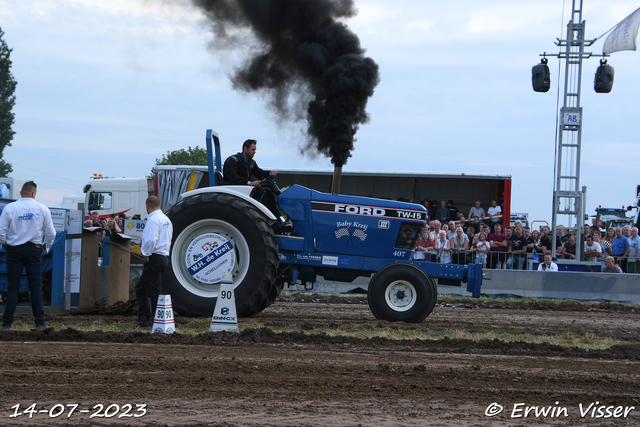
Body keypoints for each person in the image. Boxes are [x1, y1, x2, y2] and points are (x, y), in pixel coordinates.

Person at [0, 181, 56, 330]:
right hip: (34, 250)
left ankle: (6, 324)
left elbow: (1, 232)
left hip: (14, 250)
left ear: (21, 193)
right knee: (36, 287)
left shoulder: (9, 208)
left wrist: (5, 246)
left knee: (12, 287)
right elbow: (51, 233)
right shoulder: (42, 208)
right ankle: (40, 323)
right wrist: (45, 247)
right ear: (33, 193)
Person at [223, 139, 288, 231]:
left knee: (269, 193)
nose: (254, 152)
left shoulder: (251, 163)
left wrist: (269, 173)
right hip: (236, 189)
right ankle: (265, 220)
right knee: (261, 192)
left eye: (255, 150)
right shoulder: (233, 161)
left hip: (245, 189)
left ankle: (277, 220)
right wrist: (249, 183)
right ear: (245, 148)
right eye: (252, 150)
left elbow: (259, 172)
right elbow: (232, 177)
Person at [135, 196, 173, 329]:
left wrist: (146, 254)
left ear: (147, 206)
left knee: (153, 292)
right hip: (163, 257)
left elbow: (151, 239)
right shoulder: (166, 220)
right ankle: (145, 318)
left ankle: (155, 321)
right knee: (141, 289)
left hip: (153, 258)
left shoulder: (153, 219)